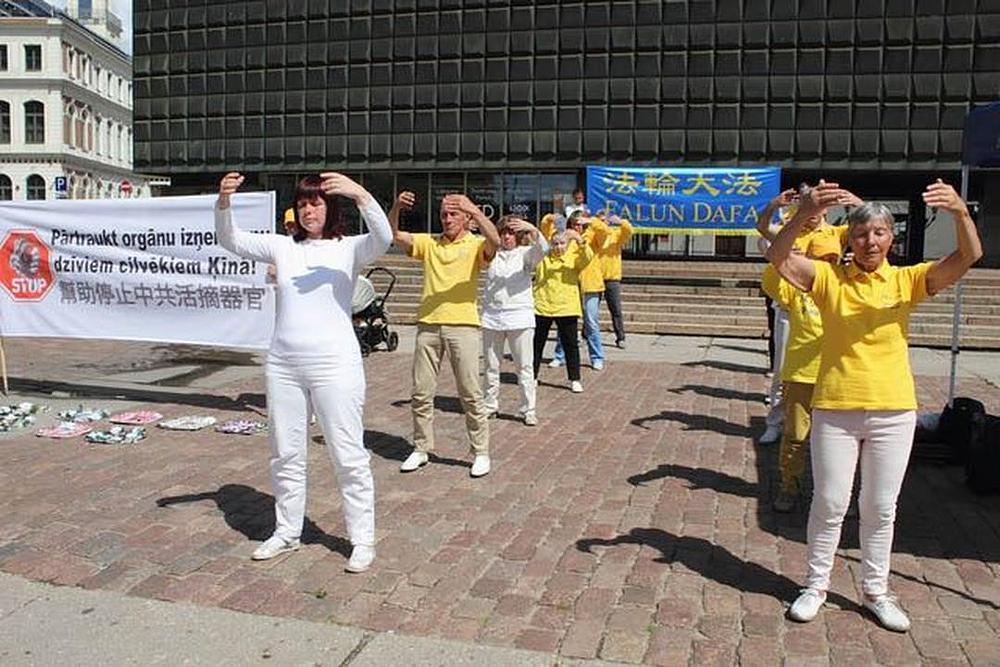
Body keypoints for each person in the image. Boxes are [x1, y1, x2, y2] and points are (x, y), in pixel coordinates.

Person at [769, 180, 982, 632]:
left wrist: (961, 214)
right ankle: (816, 586)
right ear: (849, 239)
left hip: (892, 409)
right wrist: (802, 212)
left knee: (881, 507)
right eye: (862, 233)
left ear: (891, 239)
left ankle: (875, 591)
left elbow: (968, 257)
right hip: (836, 407)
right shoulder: (828, 278)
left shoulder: (907, 280)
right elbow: (779, 256)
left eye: (879, 233)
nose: (870, 241)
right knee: (830, 502)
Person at [215, 171, 392, 573]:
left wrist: (361, 194)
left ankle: (362, 539)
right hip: (284, 364)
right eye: (303, 204)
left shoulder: (349, 248)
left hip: (335, 364)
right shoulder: (283, 247)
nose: (309, 210)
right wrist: (224, 202)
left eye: (316, 203)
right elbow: (231, 240)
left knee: (347, 453)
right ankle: (287, 531)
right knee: (286, 452)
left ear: (330, 208)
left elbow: (382, 238)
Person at [389, 191, 501, 478]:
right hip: (428, 325)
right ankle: (421, 447)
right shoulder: (430, 242)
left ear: (465, 218)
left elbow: (496, 241)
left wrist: (475, 210)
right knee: (421, 391)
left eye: (453, 214)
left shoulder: (475, 244)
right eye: (444, 214)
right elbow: (393, 235)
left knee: (470, 392)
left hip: (463, 326)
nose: (447, 219)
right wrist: (397, 207)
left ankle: (481, 451)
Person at [755, 187, 852, 444]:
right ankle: (775, 421)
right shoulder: (790, 230)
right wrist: (773, 205)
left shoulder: (836, 233)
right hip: (791, 306)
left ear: (827, 209)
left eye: (818, 205)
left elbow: (871, 226)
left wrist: (856, 202)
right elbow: (762, 228)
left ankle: (820, 424)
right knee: (783, 369)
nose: (813, 211)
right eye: (808, 204)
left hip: (828, 307)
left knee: (829, 368)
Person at [760, 232, 842, 513]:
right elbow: (771, 283)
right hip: (801, 375)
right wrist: (783, 256)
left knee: (836, 441)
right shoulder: (797, 289)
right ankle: (789, 486)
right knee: (795, 435)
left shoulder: (847, 287)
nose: (827, 264)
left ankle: (835, 492)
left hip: (838, 377)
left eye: (832, 258)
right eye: (820, 258)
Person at [481, 216, 548, 426]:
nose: (507, 237)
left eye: (511, 233)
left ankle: (529, 409)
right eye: (503, 233)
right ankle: (490, 404)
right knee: (491, 365)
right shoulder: (492, 254)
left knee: (524, 366)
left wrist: (532, 229)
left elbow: (543, 249)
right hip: (492, 317)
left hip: (519, 317)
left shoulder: (525, 254)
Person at [533, 229, 592, 392]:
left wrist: (579, 240)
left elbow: (587, 257)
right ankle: (532, 376)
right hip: (542, 306)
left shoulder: (573, 258)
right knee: (536, 343)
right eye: (555, 244)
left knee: (571, 345)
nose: (558, 247)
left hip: (567, 307)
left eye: (562, 243)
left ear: (567, 244)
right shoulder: (543, 258)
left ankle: (574, 379)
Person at [549, 211, 608, 370]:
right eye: (575, 224)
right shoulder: (566, 238)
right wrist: (552, 219)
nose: (578, 227)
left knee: (591, 322)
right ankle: (560, 355)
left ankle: (596, 357)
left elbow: (605, 231)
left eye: (581, 224)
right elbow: (548, 233)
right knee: (565, 321)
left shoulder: (593, 235)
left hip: (590, 285)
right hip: (570, 284)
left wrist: (591, 220)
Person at [599, 213, 633, 349]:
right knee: (591, 310)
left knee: (616, 310)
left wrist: (621, 222)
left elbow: (628, 231)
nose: (604, 223)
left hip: (612, 278)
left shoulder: (616, 235)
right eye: (601, 221)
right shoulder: (594, 235)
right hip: (595, 277)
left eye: (605, 220)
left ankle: (620, 337)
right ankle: (585, 335)